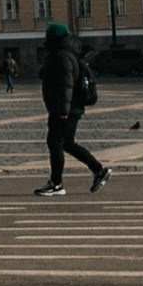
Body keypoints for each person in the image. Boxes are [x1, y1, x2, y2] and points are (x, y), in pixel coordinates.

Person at [36, 22, 110, 196]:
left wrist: (62, 110)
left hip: (65, 109)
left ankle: (56, 184)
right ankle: (98, 170)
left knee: (54, 142)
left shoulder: (62, 56)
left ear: (53, 37)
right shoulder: (66, 54)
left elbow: (66, 85)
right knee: (66, 143)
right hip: (71, 108)